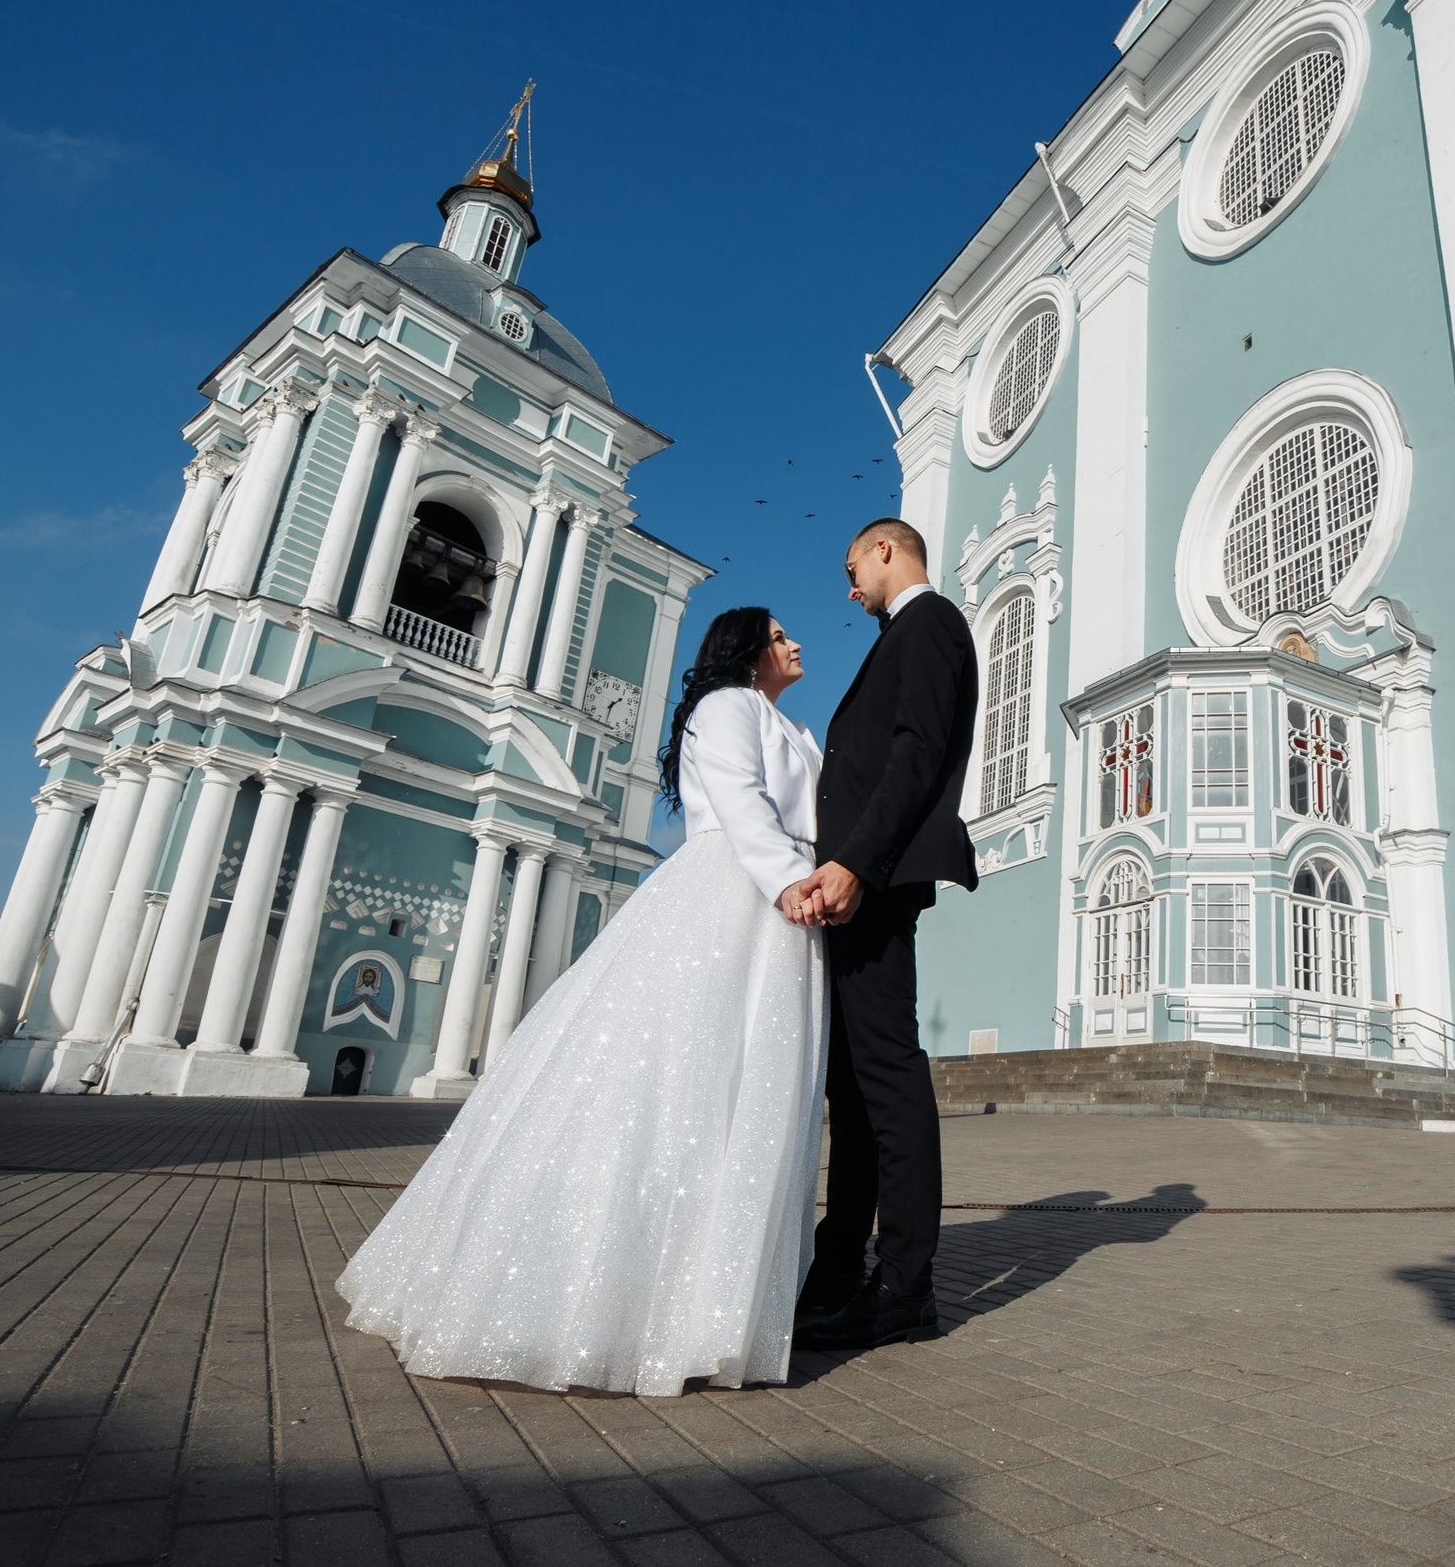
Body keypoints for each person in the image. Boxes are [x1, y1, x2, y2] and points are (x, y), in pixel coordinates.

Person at [336, 608, 827, 1396]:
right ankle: (615, 1303)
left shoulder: (791, 725)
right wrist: (790, 883)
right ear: (743, 649)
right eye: (778, 634)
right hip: (739, 894)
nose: (795, 643)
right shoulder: (725, 706)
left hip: (782, 909)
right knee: (683, 1079)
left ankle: (711, 1306)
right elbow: (740, 804)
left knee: (750, 1093)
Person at [784, 518, 980, 1351]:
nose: (847, 582)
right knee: (855, 1089)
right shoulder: (904, 634)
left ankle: (904, 1287)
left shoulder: (930, 624)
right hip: (860, 879)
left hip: (878, 878)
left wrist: (858, 863)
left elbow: (916, 754)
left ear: (888, 551)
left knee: (886, 1076)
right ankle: (839, 1271)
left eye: (850, 562)